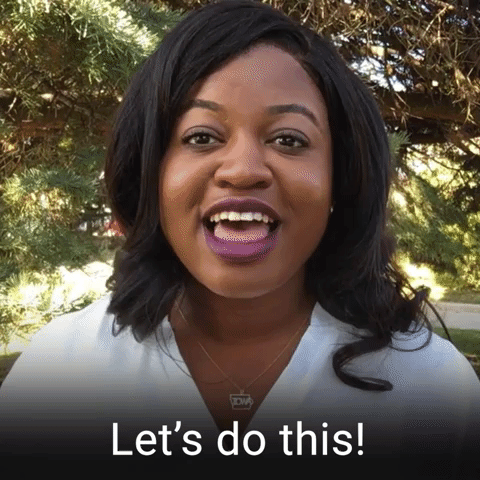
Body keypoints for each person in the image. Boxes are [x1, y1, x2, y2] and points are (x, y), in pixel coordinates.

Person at [0, 0, 479, 475]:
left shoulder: (433, 394)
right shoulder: (58, 375)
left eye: (289, 139)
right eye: (201, 137)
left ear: (342, 178)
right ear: (151, 173)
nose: (244, 170)